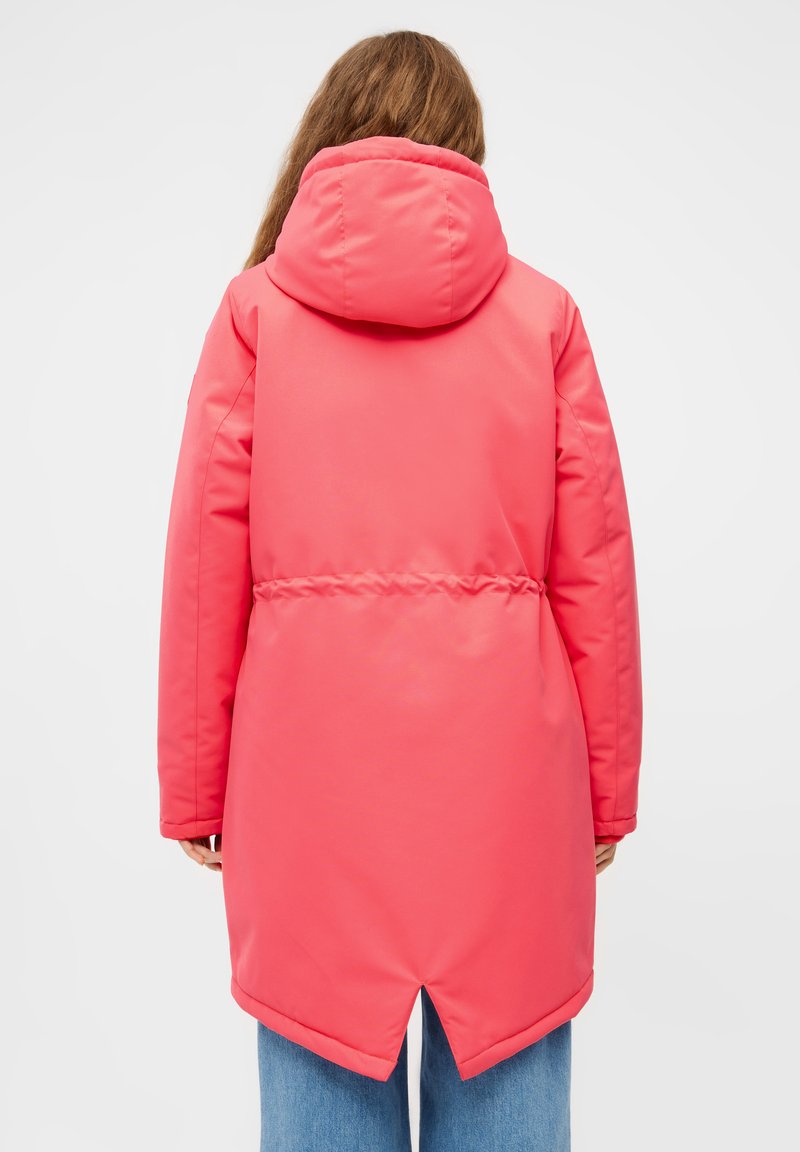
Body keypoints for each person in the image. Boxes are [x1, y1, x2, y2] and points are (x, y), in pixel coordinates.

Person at [156, 29, 642, 1152]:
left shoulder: (255, 314)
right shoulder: (544, 317)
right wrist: (604, 799)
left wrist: (194, 787)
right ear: (465, 148)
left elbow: (204, 569)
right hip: (509, 796)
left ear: (326, 134)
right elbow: (597, 576)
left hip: (307, 790)